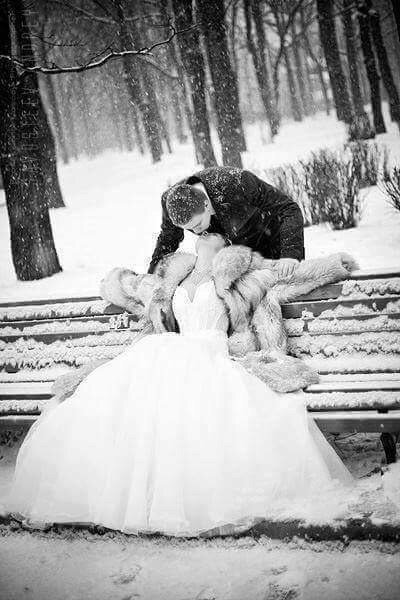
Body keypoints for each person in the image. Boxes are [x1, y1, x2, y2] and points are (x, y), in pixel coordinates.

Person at [6, 234, 354, 538]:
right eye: (198, 234)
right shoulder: (174, 274)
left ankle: (182, 500)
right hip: (168, 349)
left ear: (225, 245)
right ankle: (126, 496)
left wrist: (331, 266)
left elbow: (286, 276)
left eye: (214, 234)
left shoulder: (242, 275)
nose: (204, 236)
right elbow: (129, 287)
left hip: (210, 353)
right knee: (121, 398)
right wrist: (117, 280)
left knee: (198, 409)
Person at [148, 166, 305, 279]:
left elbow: (288, 209)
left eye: (197, 225)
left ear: (206, 205)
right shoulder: (171, 202)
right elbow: (168, 239)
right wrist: (153, 276)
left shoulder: (239, 183)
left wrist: (290, 254)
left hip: (271, 246)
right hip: (233, 264)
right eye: (189, 229)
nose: (197, 233)